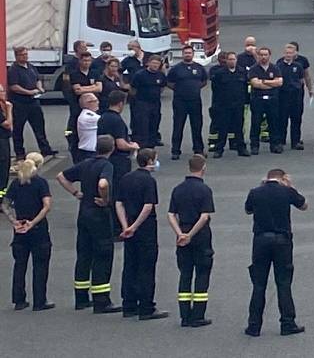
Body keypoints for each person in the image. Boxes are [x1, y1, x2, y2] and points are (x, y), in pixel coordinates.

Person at [244, 168, 306, 337]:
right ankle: (287, 323)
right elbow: (303, 205)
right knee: (284, 282)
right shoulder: (286, 192)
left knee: (258, 284)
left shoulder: (255, 192)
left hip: (260, 240)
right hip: (282, 241)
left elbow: (248, 210)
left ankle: (254, 325)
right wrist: (290, 186)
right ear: (283, 178)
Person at [58, 136, 117, 311]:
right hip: (99, 216)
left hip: (83, 213)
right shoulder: (106, 165)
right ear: (111, 149)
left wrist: (76, 193)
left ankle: (81, 298)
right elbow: (103, 183)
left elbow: (61, 176)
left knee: (84, 255)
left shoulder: (86, 163)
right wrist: (105, 199)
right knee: (102, 255)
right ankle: (101, 300)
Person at [114, 147, 164, 320]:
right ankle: (146, 307)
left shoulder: (126, 178)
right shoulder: (149, 181)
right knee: (146, 267)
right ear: (150, 162)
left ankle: (129, 304)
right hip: (145, 229)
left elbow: (119, 203)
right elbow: (148, 206)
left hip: (128, 227)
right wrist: (135, 226)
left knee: (130, 265)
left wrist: (125, 225)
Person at [167, 154, 215, 328]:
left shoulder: (178, 189)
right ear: (203, 168)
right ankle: (198, 314)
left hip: (182, 234)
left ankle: (185, 315)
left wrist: (181, 233)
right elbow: (204, 216)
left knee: (185, 273)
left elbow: (171, 214)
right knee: (202, 272)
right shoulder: (205, 190)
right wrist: (191, 234)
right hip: (200, 236)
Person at [8, 153, 54, 311]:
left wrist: (14, 221)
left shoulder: (16, 183)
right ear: (39, 166)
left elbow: (5, 205)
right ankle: (40, 301)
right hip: (38, 229)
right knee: (40, 264)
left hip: (20, 229)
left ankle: (19, 299)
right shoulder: (40, 183)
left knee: (20, 264)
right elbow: (46, 206)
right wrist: (34, 222)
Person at [10, 48, 58, 161]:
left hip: (34, 102)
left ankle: (46, 149)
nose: (25, 57)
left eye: (26, 54)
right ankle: (20, 153)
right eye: (22, 55)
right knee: (18, 129)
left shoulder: (31, 67)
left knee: (39, 127)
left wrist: (39, 87)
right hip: (20, 103)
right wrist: (28, 92)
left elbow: (38, 79)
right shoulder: (13, 70)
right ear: (16, 56)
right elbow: (14, 86)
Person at [58, 48, 104, 161]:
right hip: (77, 106)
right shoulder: (74, 74)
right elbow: (77, 90)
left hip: (92, 106)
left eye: (89, 61)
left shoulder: (95, 72)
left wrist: (85, 88)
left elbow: (99, 88)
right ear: (80, 61)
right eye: (84, 61)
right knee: (72, 127)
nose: (86, 63)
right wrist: (91, 88)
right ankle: (71, 141)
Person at [163, 45, 206, 161]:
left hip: (195, 101)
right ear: (183, 55)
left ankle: (198, 150)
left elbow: (204, 81)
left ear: (193, 54)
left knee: (197, 126)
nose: (188, 54)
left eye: (190, 53)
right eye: (186, 53)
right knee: (178, 126)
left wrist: (194, 88)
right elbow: (169, 82)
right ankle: (175, 151)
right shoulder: (176, 69)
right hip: (180, 102)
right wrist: (180, 90)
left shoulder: (199, 68)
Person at [208, 51, 249, 158]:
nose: (232, 61)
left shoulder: (242, 72)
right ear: (226, 61)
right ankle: (219, 149)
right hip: (224, 105)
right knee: (223, 128)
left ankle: (241, 149)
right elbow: (215, 89)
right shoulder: (219, 73)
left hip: (238, 105)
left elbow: (245, 88)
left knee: (238, 128)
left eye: (233, 59)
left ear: (236, 60)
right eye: (230, 59)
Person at [245, 48, 281, 155]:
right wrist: (271, 83)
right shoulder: (253, 69)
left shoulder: (275, 68)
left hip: (272, 99)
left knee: (273, 122)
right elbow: (255, 84)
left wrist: (264, 81)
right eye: (261, 55)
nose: (263, 57)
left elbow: (279, 82)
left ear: (270, 56)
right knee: (256, 123)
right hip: (257, 99)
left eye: (266, 55)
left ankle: (275, 145)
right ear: (258, 56)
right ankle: (254, 146)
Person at [274, 43, 309, 151]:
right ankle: (280, 141)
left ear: (294, 54)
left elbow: (301, 79)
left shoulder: (298, 66)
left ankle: (296, 142)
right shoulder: (279, 66)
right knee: (282, 119)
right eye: (286, 53)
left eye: (290, 53)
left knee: (296, 119)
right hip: (283, 96)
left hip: (296, 97)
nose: (288, 55)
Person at [99, 90, 137, 187]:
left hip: (106, 156)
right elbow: (121, 144)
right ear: (121, 103)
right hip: (119, 160)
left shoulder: (103, 117)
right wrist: (133, 146)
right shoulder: (117, 120)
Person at [130, 55, 166, 150]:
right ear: (148, 63)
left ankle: (151, 148)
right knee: (142, 127)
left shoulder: (161, 75)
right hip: (142, 104)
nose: (155, 65)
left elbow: (162, 88)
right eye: (153, 63)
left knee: (154, 126)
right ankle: (142, 149)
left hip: (155, 104)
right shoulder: (140, 75)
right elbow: (133, 90)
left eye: (157, 64)